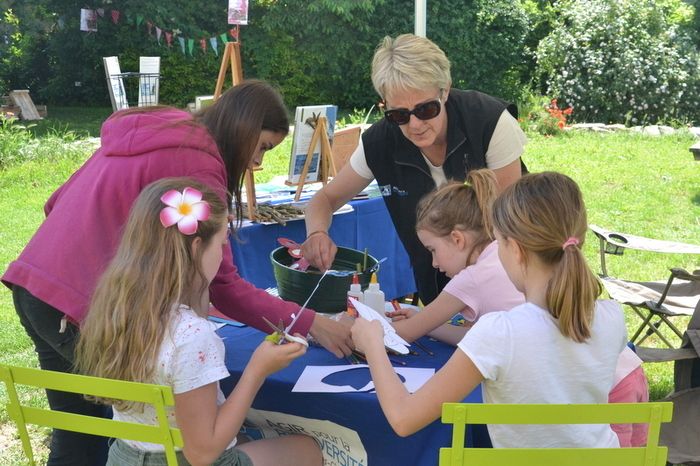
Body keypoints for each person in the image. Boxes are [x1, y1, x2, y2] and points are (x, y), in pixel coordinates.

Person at [2, 80, 351, 466]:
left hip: (33, 282)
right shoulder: (197, 160)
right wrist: (310, 323)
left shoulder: (160, 134)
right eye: (263, 147)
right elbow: (224, 287)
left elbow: (55, 203)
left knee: (80, 434)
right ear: (244, 130)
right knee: (114, 434)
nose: (258, 163)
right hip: (76, 305)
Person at [351, 172, 628, 447]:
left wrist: (373, 343)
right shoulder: (612, 317)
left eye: (498, 242)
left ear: (515, 249)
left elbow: (404, 419)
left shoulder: (500, 333)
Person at [75, 178, 322, 466]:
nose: (222, 253)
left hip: (124, 456)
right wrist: (258, 369)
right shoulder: (191, 335)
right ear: (195, 249)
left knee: (246, 440)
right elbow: (202, 453)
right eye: (221, 244)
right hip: (186, 458)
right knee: (307, 449)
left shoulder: (116, 307)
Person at [302, 34, 527, 305]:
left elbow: (509, 225)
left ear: (445, 90)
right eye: (399, 115)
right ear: (384, 105)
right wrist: (316, 233)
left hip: (507, 288)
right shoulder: (379, 142)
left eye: (426, 109)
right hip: (435, 290)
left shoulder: (489, 122)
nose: (415, 124)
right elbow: (324, 199)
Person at [388, 169, 524, 345]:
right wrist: (426, 323)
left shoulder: (472, 278)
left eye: (433, 250)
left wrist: (356, 328)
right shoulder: (499, 251)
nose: (434, 263)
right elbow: (476, 339)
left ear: (457, 239)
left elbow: (405, 333)